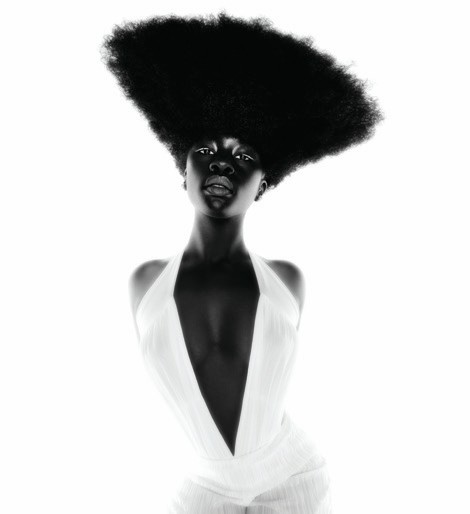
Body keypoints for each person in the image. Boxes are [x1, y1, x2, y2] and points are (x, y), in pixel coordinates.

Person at [101, 11, 383, 513]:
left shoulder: (287, 280)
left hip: (294, 475)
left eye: (244, 157)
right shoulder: (145, 282)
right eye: (205, 150)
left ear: (263, 184)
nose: (223, 163)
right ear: (182, 169)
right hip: (205, 489)